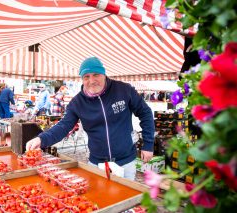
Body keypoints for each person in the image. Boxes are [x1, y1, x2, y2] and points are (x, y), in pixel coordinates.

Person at [26, 57, 155, 180]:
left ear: (104, 74)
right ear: (82, 79)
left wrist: (148, 144)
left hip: (126, 161)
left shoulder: (124, 90)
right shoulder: (77, 102)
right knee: (100, 201)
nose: (91, 80)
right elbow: (63, 126)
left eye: (96, 75)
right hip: (97, 163)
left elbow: (146, 113)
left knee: (127, 200)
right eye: (86, 77)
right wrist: (41, 139)